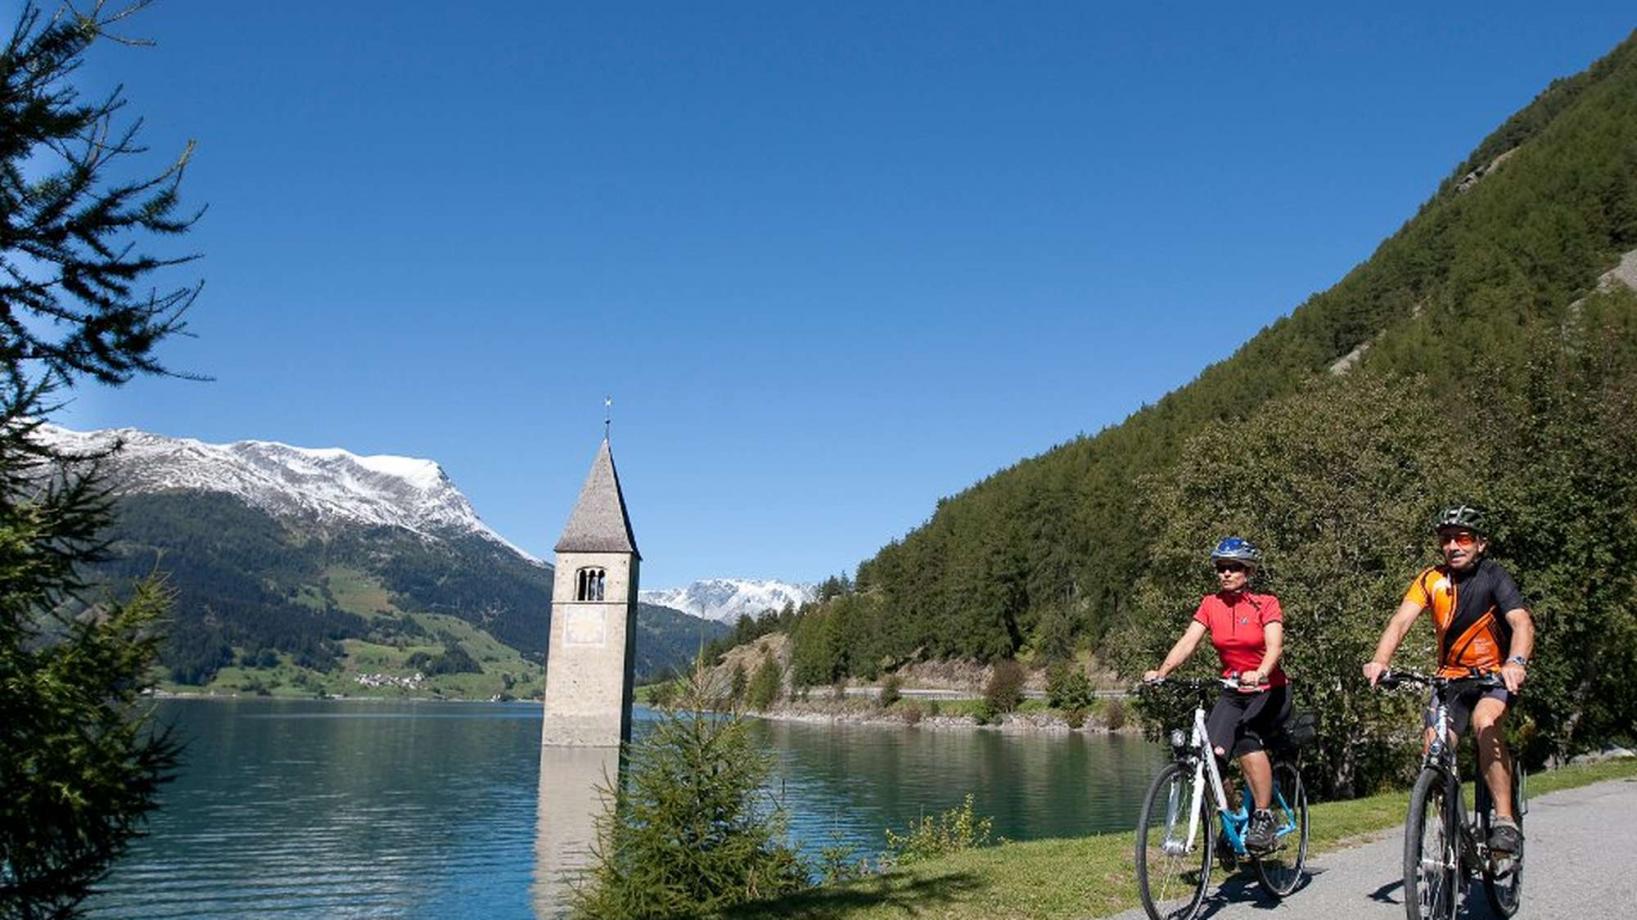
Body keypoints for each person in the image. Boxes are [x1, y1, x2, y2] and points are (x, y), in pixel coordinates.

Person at [1362, 504, 1534, 854]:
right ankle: (1452, 832)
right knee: (1434, 750)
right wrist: (1380, 660)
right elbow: (1400, 622)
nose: (1454, 546)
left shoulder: (1494, 576)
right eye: (1446, 539)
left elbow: (1521, 622)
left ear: (1480, 544)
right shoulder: (1431, 580)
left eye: (1463, 538)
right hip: (1449, 681)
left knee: (1486, 722)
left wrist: (1515, 662)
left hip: (1493, 678)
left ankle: (1504, 821)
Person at [1145, 537, 1291, 855]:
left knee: (1247, 736)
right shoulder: (1211, 605)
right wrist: (1163, 671)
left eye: (1233, 567)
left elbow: (1275, 646)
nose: (1225, 573)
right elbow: (1189, 641)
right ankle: (1235, 816)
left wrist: (1262, 672)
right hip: (1232, 690)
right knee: (1211, 757)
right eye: (1221, 567)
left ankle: (1264, 817)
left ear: (1248, 571)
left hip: (1269, 690)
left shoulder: (1266, 603)